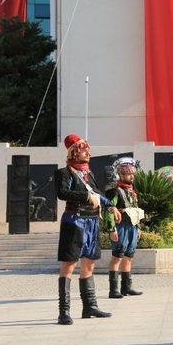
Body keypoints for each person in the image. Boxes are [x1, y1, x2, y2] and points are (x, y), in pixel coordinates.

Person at [54, 134, 121, 325]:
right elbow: (62, 193)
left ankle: (89, 306)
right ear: (74, 151)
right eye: (84, 150)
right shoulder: (64, 172)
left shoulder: (88, 173)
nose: (88, 153)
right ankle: (64, 311)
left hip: (92, 221)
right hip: (74, 221)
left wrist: (110, 206)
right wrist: (85, 197)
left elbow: (98, 193)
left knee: (89, 263)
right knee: (69, 265)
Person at [106, 157, 144, 298]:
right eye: (129, 174)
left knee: (129, 256)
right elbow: (109, 209)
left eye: (133, 174)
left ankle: (126, 288)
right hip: (120, 226)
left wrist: (138, 227)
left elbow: (135, 210)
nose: (132, 176)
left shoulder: (133, 192)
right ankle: (113, 290)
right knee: (117, 256)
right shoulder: (115, 192)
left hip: (132, 227)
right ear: (120, 175)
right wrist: (112, 229)